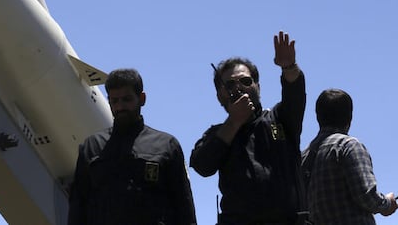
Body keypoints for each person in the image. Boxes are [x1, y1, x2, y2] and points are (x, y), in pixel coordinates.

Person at [190, 31, 307, 225]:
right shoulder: (216, 134)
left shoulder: (280, 119)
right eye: (230, 84)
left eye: (246, 81)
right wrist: (234, 122)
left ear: (258, 87)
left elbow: (294, 94)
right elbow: (202, 166)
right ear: (220, 96)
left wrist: (289, 67)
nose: (239, 88)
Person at [67, 68, 197, 225]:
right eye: (114, 101)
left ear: (142, 98)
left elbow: (183, 207)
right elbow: (78, 206)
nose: (120, 106)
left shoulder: (166, 146)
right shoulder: (92, 147)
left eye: (127, 99)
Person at [301, 89, 398, 225]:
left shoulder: (304, 156)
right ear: (349, 117)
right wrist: (387, 203)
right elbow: (366, 195)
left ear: (318, 117)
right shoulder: (349, 146)